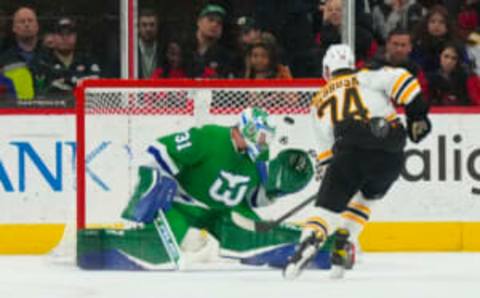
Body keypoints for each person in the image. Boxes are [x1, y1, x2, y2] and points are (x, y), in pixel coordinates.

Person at [77, 107, 333, 270]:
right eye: (261, 137)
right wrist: (153, 182)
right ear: (245, 130)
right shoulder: (210, 137)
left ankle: (318, 248)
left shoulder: (258, 158)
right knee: (159, 255)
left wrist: (280, 189)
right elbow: (160, 151)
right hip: (183, 206)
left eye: (267, 138)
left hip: (225, 213)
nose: (264, 144)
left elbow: (253, 199)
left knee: (252, 243)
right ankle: (98, 245)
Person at [283, 44, 432, 280]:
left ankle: (310, 238)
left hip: (350, 146)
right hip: (391, 147)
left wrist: (335, 184)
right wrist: (417, 114)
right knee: (368, 197)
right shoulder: (367, 76)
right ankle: (345, 240)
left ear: (326, 70)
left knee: (327, 208)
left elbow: (327, 157)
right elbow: (405, 80)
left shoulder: (318, 102)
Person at [38, 17, 101, 98]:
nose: (65, 38)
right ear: (53, 37)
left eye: (69, 34)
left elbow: (96, 84)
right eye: (60, 34)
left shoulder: (87, 60)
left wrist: (67, 81)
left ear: (75, 36)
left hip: (83, 107)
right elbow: (39, 93)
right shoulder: (43, 62)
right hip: (53, 108)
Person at [184, 4, 232, 78]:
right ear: (199, 22)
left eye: (219, 23)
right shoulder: (183, 49)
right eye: (210, 20)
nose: (215, 24)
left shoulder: (226, 57)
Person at [137, 8, 162, 78]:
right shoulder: (129, 52)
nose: (148, 29)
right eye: (144, 25)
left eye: (152, 25)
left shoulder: (164, 51)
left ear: (157, 27)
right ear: (138, 28)